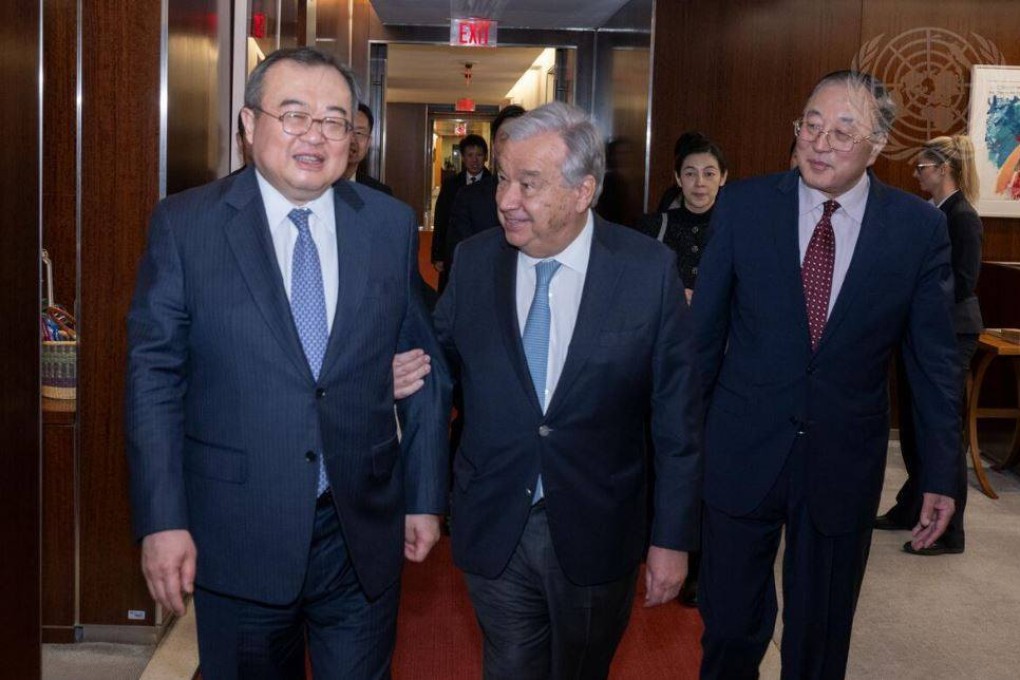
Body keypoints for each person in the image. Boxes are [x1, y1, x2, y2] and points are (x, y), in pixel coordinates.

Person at [125, 47, 450, 679]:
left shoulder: (387, 224)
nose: (315, 135)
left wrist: (424, 495)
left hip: (358, 529)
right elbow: (153, 381)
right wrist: (162, 520)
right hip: (238, 528)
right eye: (294, 115)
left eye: (334, 120)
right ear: (249, 126)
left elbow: (424, 366)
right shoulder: (186, 225)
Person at [693, 70, 961, 679]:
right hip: (741, 449)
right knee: (729, 627)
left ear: (879, 144)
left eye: (842, 132)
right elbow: (700, 343)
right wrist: (683, 454)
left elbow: (933, 364)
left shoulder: (917, 231)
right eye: (810, 126)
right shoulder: (744, 207)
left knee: (820, 638)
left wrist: (941, 475)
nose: (820, 143)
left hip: (843, 457)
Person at [434, 102, 703, 679]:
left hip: (597, 527)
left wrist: (673, 538)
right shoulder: (474, 262)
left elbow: (676, 419)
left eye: (528, 184)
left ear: (584, 192)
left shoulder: (646, 271)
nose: (506, 199)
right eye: (505, 178)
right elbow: (438, 375)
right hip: (494, 520)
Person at [875, 135, 983, 556]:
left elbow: (963, 281)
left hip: (951, 333)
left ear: (943, 169)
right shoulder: (931, 212)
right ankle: (910, 506)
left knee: (940, 429)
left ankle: (950, 531)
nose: (916, 172)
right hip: (921, 330)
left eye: (922, 166)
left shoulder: (963, 216)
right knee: (917, 428)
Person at [635, 131, 728, 305]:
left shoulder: (736, 230)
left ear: (723, 177)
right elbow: (636, 283)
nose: (700, 182)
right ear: (678, 178)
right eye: (690, 174)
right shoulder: (653, 227)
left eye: (709, 174)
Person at [444, 104, 526, 277]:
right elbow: (460, 254)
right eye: (505, 137)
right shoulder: (469, 196)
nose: (513, 143)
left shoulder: (545, 195)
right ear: (494, 146)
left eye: (520, 135)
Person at [431, 133, 490, 291]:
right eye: (470, 155)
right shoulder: (451, 184)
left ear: (485, 157)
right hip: (454, 250)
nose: (474, 160)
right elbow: (441, 219)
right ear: (463, 157)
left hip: (483, 252)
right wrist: (437, 254)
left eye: (479, 155)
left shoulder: (494, 185)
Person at [343, 102, 392, 195]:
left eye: (359, 133)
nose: (352, 140)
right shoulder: (313, 187)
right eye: (347, 130)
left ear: (368, 142)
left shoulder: (380, 193)